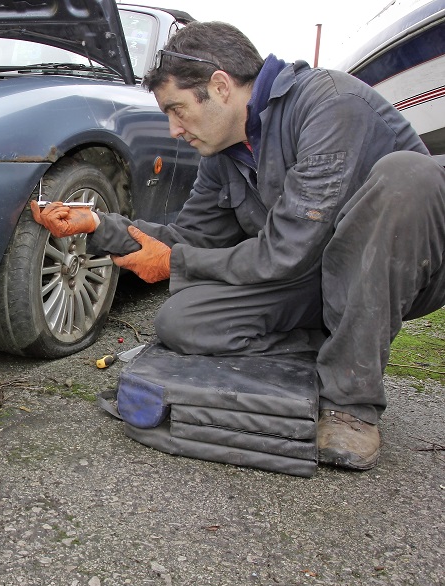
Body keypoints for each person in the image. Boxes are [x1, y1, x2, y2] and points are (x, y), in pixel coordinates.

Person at [29, 21, 445, 470]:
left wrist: (174, 260)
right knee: (182, 321)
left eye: (177, 110)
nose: (173, 130)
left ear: (220, 86)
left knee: (410, 173)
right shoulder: (225, 152)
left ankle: (351, 403)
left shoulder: (330, 105)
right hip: (312, 277)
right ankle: (334, 347)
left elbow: (285, 251)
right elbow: (190, 239)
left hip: (395, 274)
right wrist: (96, 223)